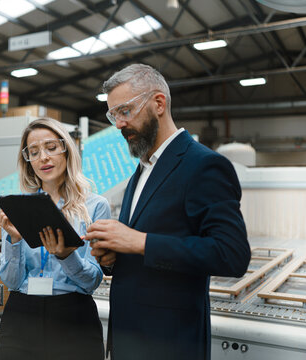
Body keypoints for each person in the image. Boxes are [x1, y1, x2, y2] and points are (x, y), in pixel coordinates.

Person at [85, 64, 251, 360]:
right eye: (114, 115)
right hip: (129, 340)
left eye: (125, 111)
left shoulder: (202, 165)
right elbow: (140, 247)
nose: (119, 124)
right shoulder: (141, 170)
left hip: (171, 343)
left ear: (158, 103)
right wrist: (114, 256)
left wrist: (139, 242)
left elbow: (232, 254)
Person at [0, 118, 110, 360]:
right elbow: (11, 282)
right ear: (27, 161)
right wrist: (14, 241)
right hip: (21, 316)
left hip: (73, 317)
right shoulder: (17, 208)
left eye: (51, 147)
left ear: (66, 150)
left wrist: (67, 255)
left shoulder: (95, 207)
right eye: (34, 152)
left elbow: (91, 282)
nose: (43, 158)